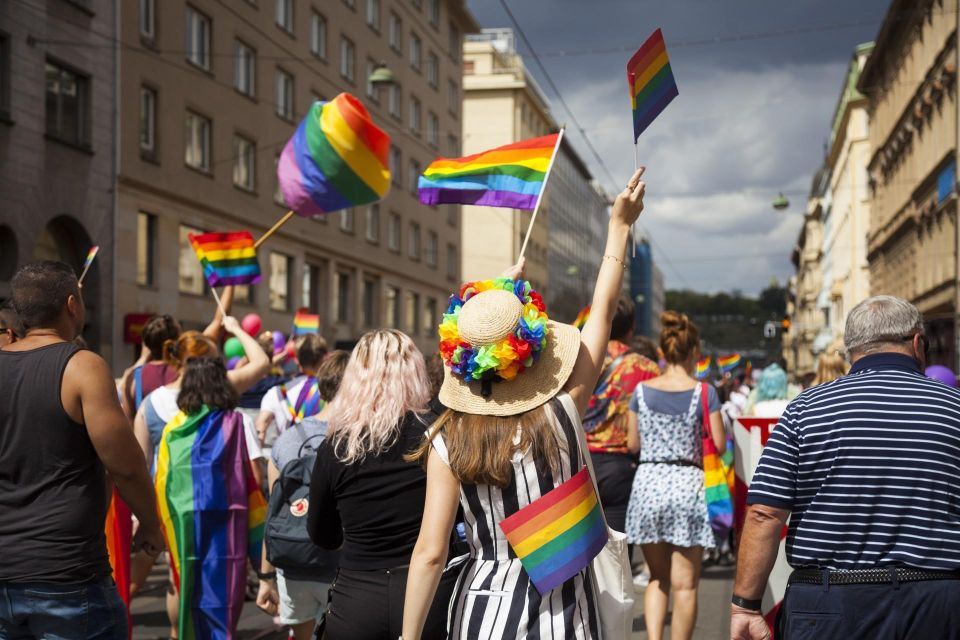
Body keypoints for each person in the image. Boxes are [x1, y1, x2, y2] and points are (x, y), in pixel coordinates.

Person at [401, 168, 647, 639]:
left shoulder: (445, 440)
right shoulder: (564, 414)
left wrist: (408, 637)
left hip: (482, 611)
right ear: (532, 357)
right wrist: (619, 227)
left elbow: (430, 552)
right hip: (565, 614)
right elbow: (602, 312)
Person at [732, 295, 960, 640]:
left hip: (829, 602)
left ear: (850, 351)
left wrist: (745, 605)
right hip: (937, 602)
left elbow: (764, 513)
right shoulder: (953, 406)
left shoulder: (805, 410)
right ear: (917, 343)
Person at [0, 261, 163, 638]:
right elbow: (125, 466)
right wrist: (150, 525)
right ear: (73, 305)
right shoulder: (81, 367)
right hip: (66, 577)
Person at [306, 329, 457, 640]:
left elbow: (322, 533)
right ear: (414, 372)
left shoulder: (337, 446)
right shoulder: (435, 437)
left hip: (357, 598)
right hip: (430, 595)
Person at [625, 311, 726, 640]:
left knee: (657, 578)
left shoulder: (640, 392)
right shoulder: (704, 393)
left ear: (664, 352)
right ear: (695, 351)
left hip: (649, 484)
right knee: (685, 585)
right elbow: (720, 444)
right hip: (687, 486)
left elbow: (632, 443)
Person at [158, 355, 268, 639]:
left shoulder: (173, 429)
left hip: (185, 531)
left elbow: (162, 483)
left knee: (190, 596)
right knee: (225, 600)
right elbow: (248, 479)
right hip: (226, 531)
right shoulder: (234, 423)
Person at [257, 350, 350, 639]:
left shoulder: (287, 440)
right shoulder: (359, 440)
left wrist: (265, 577)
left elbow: (274, 512)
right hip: (341, 568)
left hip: (293, 566)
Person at [583, 295, 661, 535]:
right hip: (622, 468)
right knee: (619, 556)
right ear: (632, 327)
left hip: (578, 464)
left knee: (578, 556)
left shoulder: (579, 358)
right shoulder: (647, 368)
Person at [256, 333, 328, 442]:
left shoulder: (275, 393)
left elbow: (260, 428)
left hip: (287, 455)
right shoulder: (334, 391)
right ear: (324, 358)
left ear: (296, 360)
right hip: (323, 455)